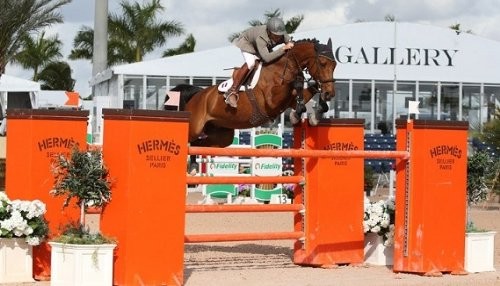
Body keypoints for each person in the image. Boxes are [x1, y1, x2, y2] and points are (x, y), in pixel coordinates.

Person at [224, 17, 295, 108]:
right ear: (269, 32)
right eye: (275, 35)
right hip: (248, 44)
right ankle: (232, 91)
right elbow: (267, 58)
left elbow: (290, 43)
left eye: (279, 35)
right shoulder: (261, 37)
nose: (278, 38)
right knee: (251, 62)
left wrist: (291, 44)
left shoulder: (280, 32)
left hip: (263, 47)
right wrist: (283, 48)